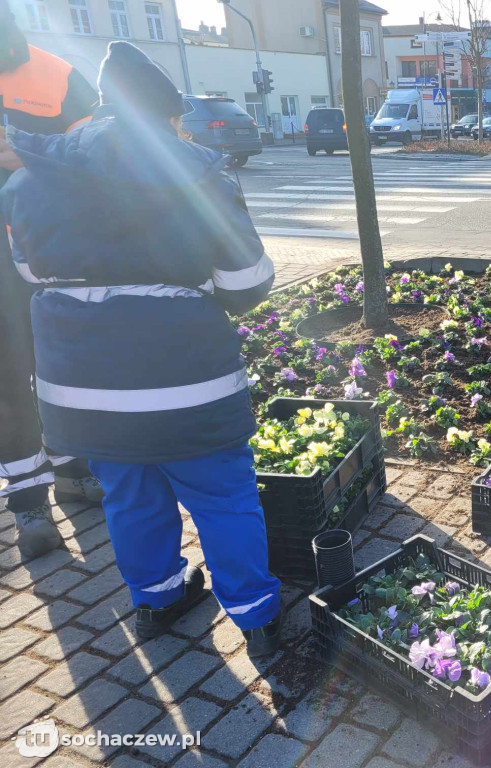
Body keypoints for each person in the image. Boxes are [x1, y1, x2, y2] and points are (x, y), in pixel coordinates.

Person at [1, 41, 282, 657]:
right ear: (163, 116)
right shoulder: (198, 172)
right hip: (188, 386)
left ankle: (158, 600)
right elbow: (247, 283)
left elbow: (27, 271)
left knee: (129, 495)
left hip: (84, 392)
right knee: (222, 496)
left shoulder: (31, 178)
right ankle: (257, 618)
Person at [0, 0, 104, 560]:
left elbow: (99, 157)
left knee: (61, 363)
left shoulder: (56, 74)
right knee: (6, 376)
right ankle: (27, 502)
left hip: (51, 249)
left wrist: (31, 155)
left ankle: (71, 468)